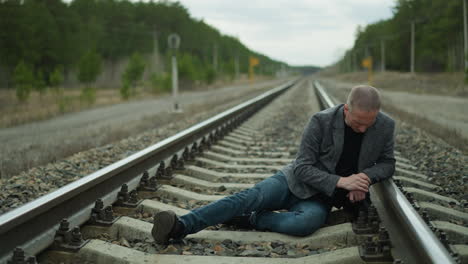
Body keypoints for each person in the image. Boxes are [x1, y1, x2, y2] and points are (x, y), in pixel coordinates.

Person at [152, 84, 396, 244]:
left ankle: (253, 220)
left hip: (321, 199)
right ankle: (181, 225)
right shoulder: (321, 121)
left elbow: (387, 163)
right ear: (346, 109)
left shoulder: (385, 126)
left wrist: (363, 179)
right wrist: (343, 181)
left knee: (305, 224)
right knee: (248, 198)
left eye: (369, 123)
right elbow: (302, 167)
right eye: (358, 122)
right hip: (292, 182)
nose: (364, 128)